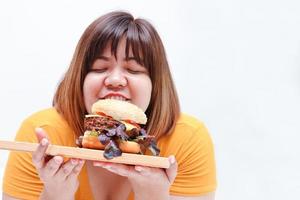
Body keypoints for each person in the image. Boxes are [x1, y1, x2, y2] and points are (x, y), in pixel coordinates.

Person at [2, 11, 217, 200]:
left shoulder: (187, 139)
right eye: (99, 68)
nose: (115, 80)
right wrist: (55, 195)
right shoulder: (43, 135)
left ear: (156, 84)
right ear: (80, 78)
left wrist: (153, 196)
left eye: (133, 70)